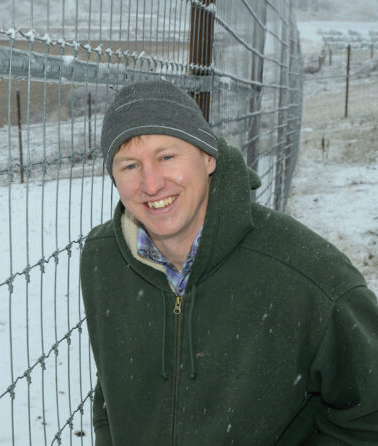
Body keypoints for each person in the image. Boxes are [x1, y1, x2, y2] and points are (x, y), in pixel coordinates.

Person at [80, 79, 378, 445]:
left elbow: (368, 413)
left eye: (167, 156)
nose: (151, 184)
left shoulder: (304, 271)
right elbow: (111, 394)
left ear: (208, 157)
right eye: (129, 166)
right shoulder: (103, 258)